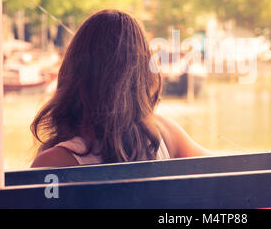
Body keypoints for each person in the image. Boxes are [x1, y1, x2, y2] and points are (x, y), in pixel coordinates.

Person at [31, 9, 211, 168]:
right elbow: (226, 169)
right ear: (142, 75)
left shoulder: (53, 163)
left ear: (73, 73)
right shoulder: (166, 135)